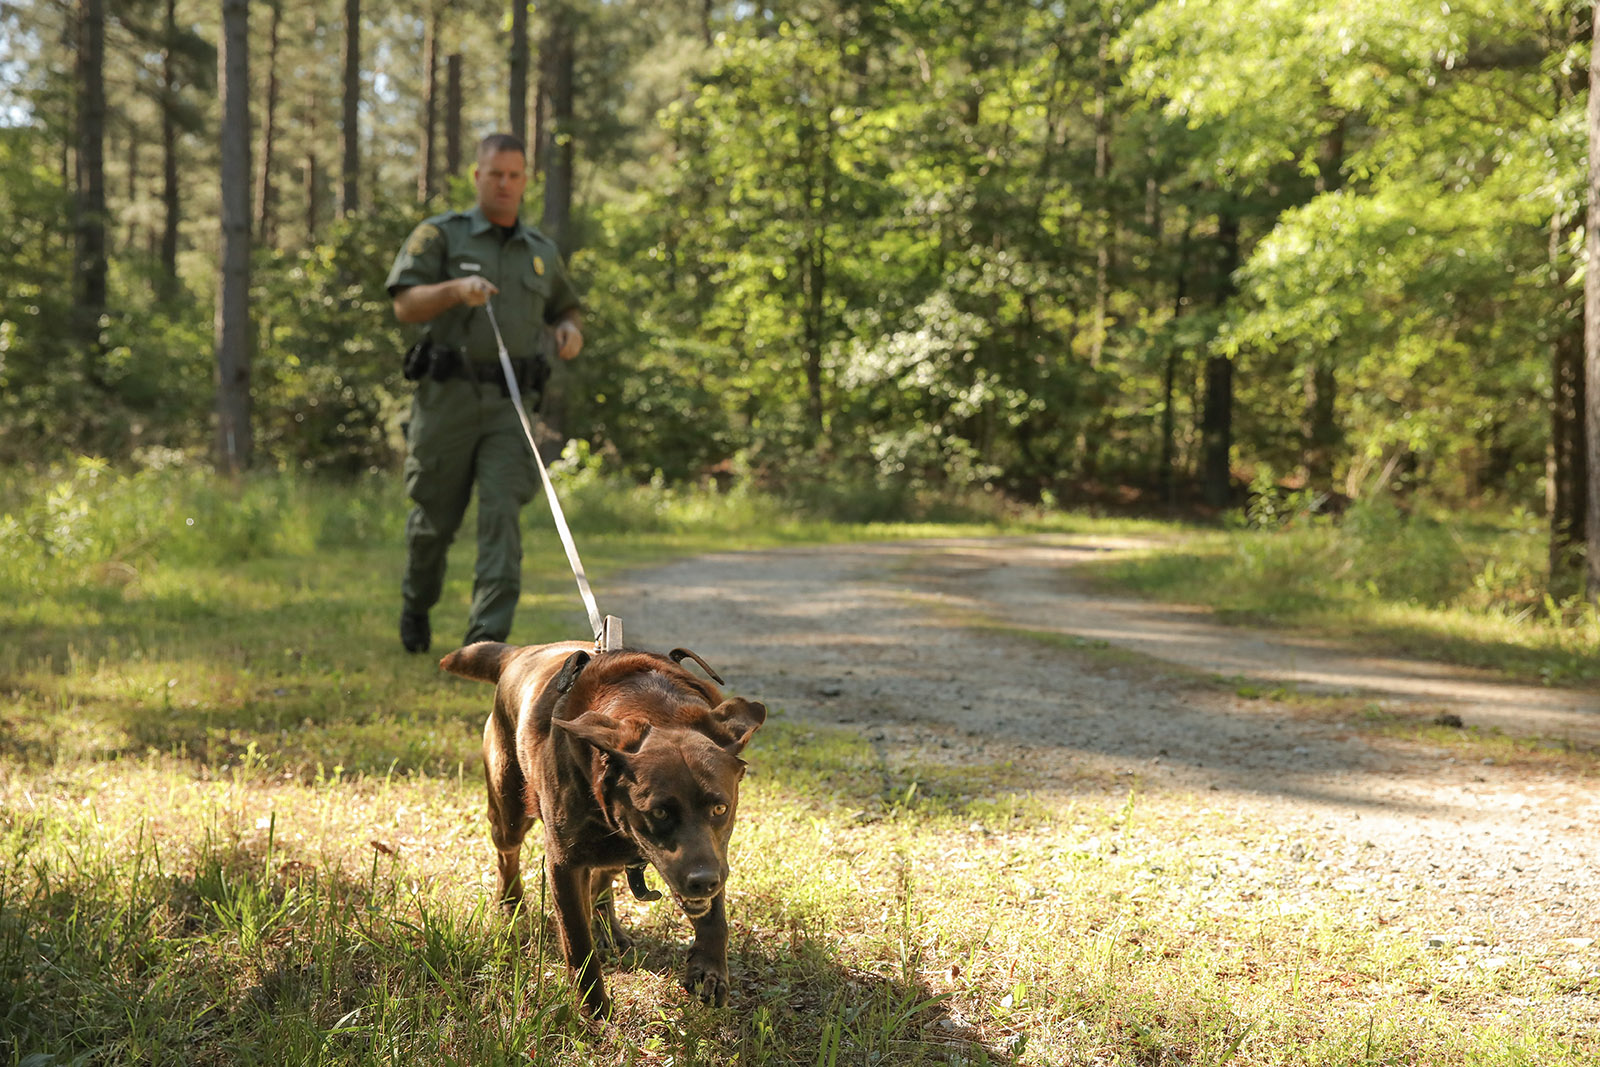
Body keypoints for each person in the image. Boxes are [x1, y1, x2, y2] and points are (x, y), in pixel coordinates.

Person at [385, 132, 583, 653]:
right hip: (446, 402)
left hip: (509, 406)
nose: (505, 184)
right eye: (495, 174)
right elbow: (405, 304)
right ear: (477, 176)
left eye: (515, 175)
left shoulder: (540, 250)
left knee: (501, 518)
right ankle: (416, 605)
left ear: (526, 181)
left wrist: (568, 329)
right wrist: (454, 291)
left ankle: (485, 643)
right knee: (433, 522)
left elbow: (566, 306)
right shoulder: (441, 235)